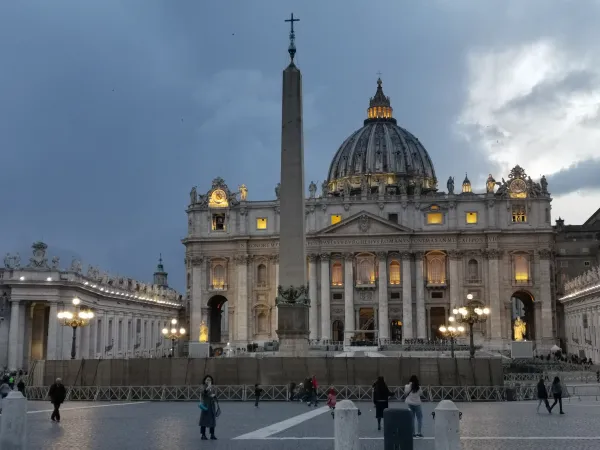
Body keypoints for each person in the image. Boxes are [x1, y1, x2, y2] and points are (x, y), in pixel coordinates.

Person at [199, 375, 219, 440]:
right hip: (205, 405)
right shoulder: (202, 386)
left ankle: (212, 434)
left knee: (212, 420)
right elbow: (202, 393)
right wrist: (207, 388)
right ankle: (203, 434)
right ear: (204, 380)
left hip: (212, 405)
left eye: (210, 380)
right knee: (204, 420)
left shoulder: (214, 387)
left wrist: (214, 396)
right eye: (207, 380)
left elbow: (216, 395)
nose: (208, 381)